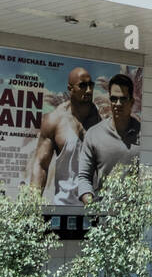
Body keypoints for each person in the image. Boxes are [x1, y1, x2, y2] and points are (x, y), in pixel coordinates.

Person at [30, 67, 102, 205]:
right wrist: (32, 207)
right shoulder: (54, 120)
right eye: (82, 85)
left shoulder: (102, 122)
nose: (88, 90)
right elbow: (41, 164)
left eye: (90, 85)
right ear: (70, 88)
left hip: (95, 208)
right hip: (64, 206)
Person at [78, 74, 141, 203]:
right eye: (114, 99)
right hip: (104, 216)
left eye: (123, 99)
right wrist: (92, 207)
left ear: (132, 102)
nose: (118, 104)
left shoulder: (145, 134)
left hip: (138, 218)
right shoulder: (94, 134)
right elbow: (84, 177)